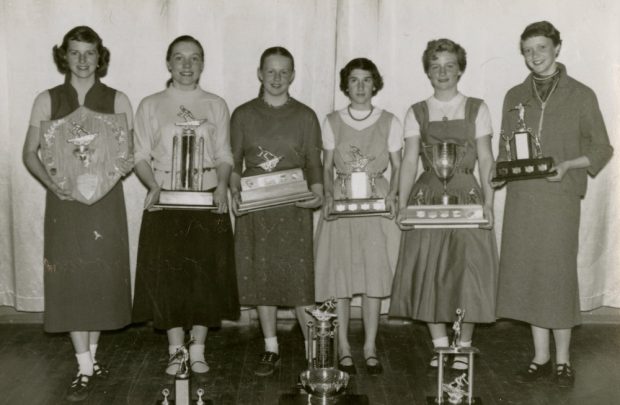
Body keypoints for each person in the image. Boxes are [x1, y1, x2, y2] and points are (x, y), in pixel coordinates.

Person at [495, 21, 613, 388]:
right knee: (529, 276)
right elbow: (504, 150)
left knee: (557, 278)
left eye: (541, 48)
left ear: (557, 48)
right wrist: (499, 174)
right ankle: (540, 357)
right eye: (528, 50)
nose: (534, 56)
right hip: (522, 200)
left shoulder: (581, 94)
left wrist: (566, 166)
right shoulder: (514, 95)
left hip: (559, 199)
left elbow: (601, 148)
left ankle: (562, 360)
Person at [22, 26, 133, 402]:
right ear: (64, 56)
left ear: (100, 56)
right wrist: (54, 186)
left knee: (99, 279)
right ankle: (84, 366)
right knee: (71, 279)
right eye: (75, 53)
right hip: (64, 203)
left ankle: (91, 360)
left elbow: (125, 155)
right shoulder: (47, 99)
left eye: (89, 53)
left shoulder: (117, 98)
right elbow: (29, 153)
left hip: (104, 203)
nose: (83, 60)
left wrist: (100, 181)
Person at [131, 35, 240, 377]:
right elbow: (139, 155)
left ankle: (198, 350)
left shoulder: (215, 103)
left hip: (207, 195)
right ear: (168, 63)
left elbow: (224, 154)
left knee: (205, 276)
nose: (187, 65)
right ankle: (176, 350)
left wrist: (222, 186)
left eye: (194, 58)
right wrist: (152, 186)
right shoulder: (150, 104)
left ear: (203, 64)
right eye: (179, 58)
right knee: (170, 278)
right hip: (167, 196)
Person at [389, 38, 498, 370]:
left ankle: (463, 345)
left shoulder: (478, 107)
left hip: (467, 194)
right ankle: (439, 345)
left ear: (460, 69)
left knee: (469, 270)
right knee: (428, 268)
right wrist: (405, 205)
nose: (443, 72)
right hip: (427, 195)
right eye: (435, 66)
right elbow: (408, 163)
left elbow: (485, 158)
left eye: (449, 65)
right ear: (427, 71)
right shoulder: (416, 112)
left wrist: (490, 205)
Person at [230, 46, 323, 377]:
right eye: (271, 71)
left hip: (293, 208)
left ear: (293, 76)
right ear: (259, 73)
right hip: (256, 210)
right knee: (262, 277)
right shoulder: (242, 114)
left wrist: (318, 192)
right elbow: (235, 163)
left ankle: (316, 353)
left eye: (284, 72)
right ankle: (271, 347)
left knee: (299, 280)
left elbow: (314, 162)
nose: (277, 78)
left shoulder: (306, 116)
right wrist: (233, 191)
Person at [314, 58, 402, 375]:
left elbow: (399, 163)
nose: (361, 87)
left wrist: (393, 195)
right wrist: (327, 195)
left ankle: (369, 346)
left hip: (376, 200)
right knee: (341, 275)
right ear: (346, 85)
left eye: (367, 80)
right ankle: (343, 347)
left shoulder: (390, 120)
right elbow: (325, 167)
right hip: (342, 198)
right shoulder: (332, 120)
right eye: (354, 80)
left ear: (375, 84)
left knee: (373, 276)